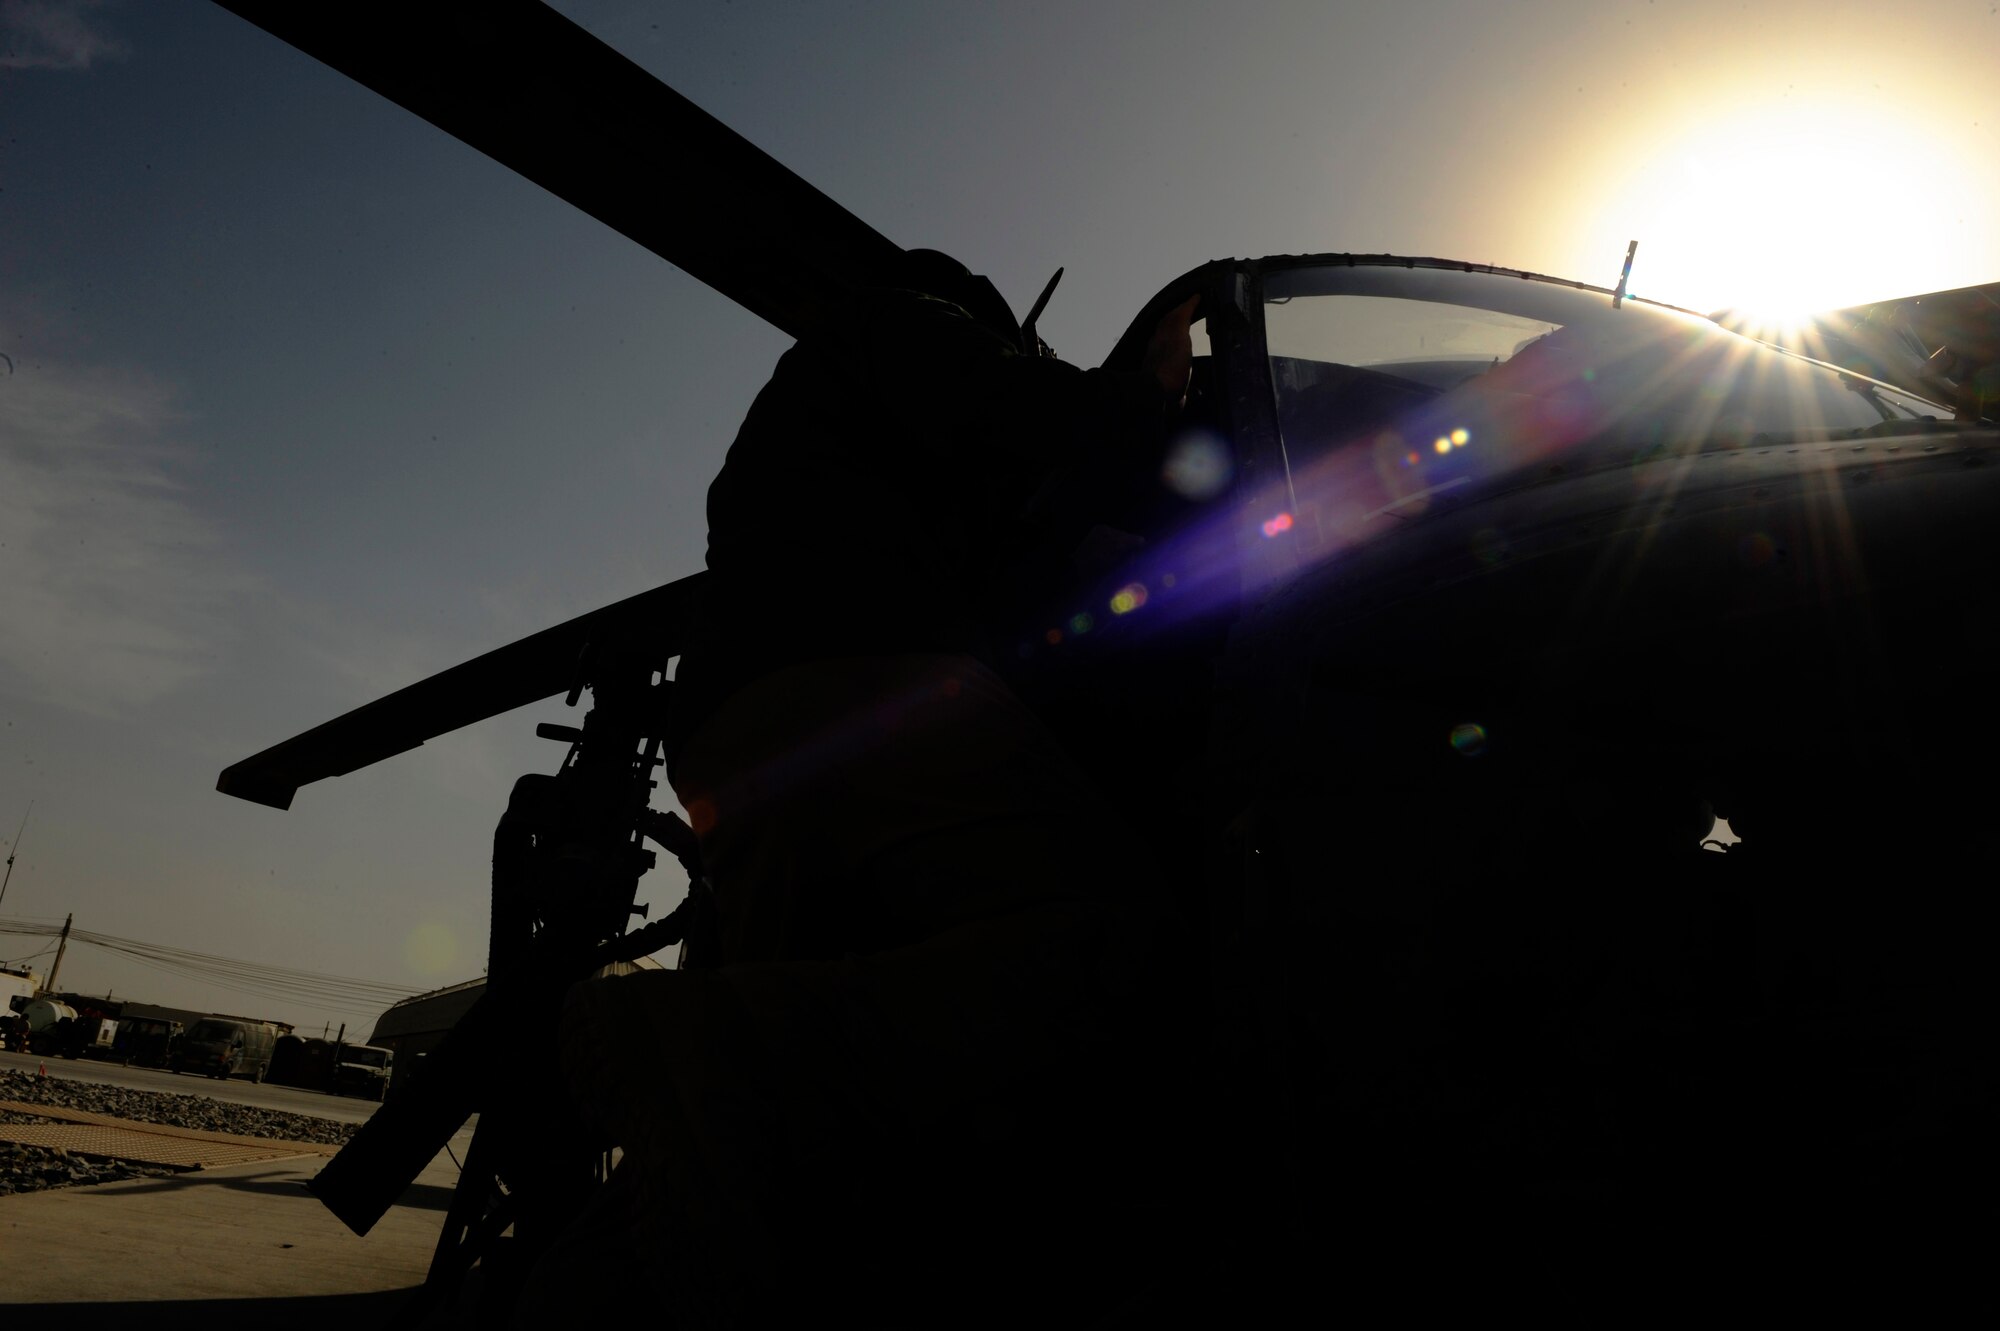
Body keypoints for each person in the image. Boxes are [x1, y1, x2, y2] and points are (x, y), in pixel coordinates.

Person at [542, 252, 1199, 1326]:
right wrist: (1146, 390)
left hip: (743, 738)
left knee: (769, 1156)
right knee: (1126, 950)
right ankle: (691, 1038)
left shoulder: (831, 429)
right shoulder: (907, 326)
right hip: (862, 691)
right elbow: (1047, 423)